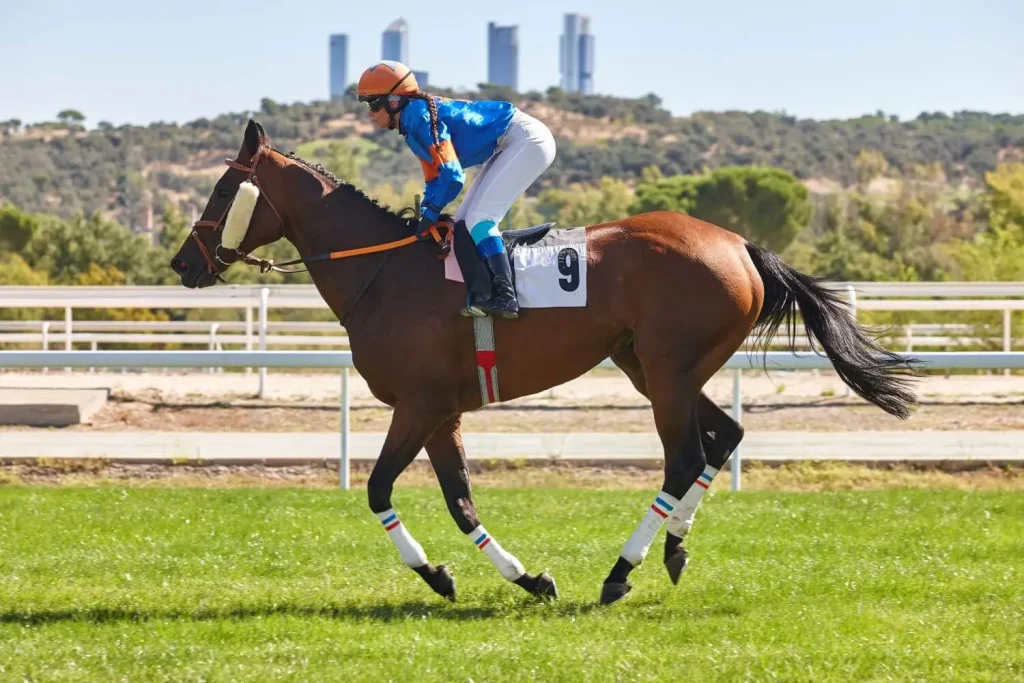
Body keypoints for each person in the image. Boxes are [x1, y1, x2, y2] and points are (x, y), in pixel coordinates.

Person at [356, 60, 556, 319]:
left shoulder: (419, 118)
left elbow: (452, 176)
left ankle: (506, 297)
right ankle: (483, 293)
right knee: (463, 222)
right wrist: (427, 209)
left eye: (373, 104)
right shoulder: (411, 123)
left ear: (394, 101)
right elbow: (434, 177)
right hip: (510, 142)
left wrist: (433, 211)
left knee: (479, 219)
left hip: (528, 140)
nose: (370, 113)